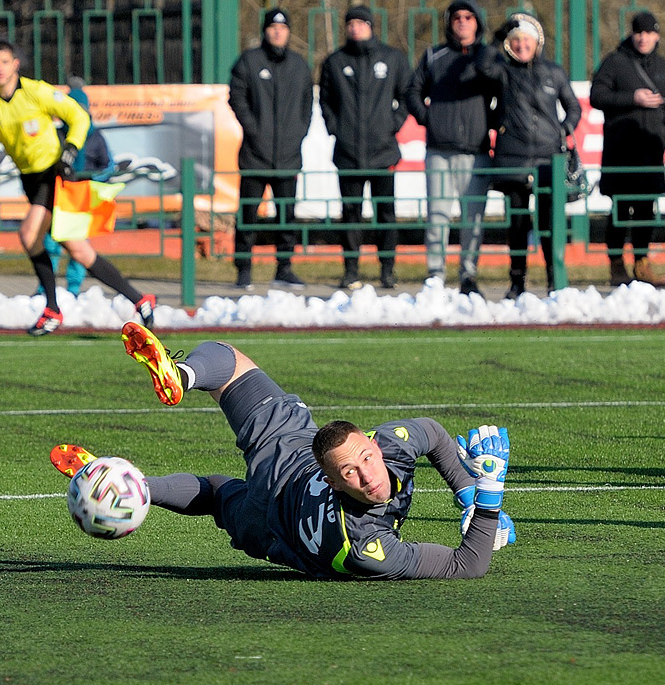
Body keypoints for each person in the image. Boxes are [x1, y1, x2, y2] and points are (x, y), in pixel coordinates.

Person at [52, 322, 515, 581]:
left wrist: (468, 495)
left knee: (226, 368)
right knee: (217, 493)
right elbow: (466, 565)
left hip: (283, 470)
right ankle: (134, 482)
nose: (368, 475)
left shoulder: (388, 448)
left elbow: (432, 433)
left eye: (367, 459)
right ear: (330, 479)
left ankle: (131, 481)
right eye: (350, 472)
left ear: (377, 443)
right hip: (275, 527)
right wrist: (486, 495)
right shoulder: (366, 548)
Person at [0, 40, 155, 336]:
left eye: (4, 62)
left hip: (54, 174)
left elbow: (78, 116)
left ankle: (51, 308)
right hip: (30, 178)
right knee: (78, 250)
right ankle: (140, 299)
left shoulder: (36, 91)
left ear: (15, 64)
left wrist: (71, 148)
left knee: (28, 234)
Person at [475, 14, 581, 299]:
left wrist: (564, 129)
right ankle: (517, 283)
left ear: (538, 43)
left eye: (527, 40)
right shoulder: (503, 71)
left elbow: (573, 106)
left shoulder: (554, 72)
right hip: (512, 158)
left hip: (549, 159)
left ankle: (553, 279)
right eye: (516, 41)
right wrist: (497, 38)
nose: (522, 46)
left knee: (548, 224)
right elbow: (482, 66)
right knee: (518, 224)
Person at [405, 0, 496, 295]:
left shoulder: (488, 56)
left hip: (476, 151)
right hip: (439, 151)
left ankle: (468, 274)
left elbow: (505, 90)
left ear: (477, 22)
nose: (462, 21)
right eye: (457, 17)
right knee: (438, 215)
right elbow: (412, 90)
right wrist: (428, 118)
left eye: (468, 17)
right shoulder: (434, 55)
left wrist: (491, 122)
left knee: (474, 217)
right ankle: (435, 274)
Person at [319, 6, 412, 290]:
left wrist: (391, 125)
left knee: (386, 214)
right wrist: (337, 128)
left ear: (371, 25)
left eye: (360, 22)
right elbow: (326, 101)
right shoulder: (335, 62)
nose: (355, 28)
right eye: (350, 23)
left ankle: (387, 270)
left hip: (383, 151)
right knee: (351, 214)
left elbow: (407, 96)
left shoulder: (393, 58)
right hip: (348, 153)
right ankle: (351, 271)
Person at [591, 11, 665, 288]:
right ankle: (616, 265)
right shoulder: (615, 62)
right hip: (620, 152)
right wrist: (633, 98)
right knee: (620, 210)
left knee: (645, 210)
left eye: (648, 33)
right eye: (638, 32)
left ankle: (642, 264)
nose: (643, 38)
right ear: (632, 34)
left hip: (651, 153)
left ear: (657, 36)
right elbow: (597, 95)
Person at [227, 8, 311, 291]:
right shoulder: (248, 62)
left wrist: (296, 134)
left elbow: (306, 106)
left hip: (288, 156)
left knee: (287, 216)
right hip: (254, 155)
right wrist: (255, 131)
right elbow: (237, 99)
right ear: (265, 30)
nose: (278, 32)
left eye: (283, 27)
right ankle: (244, 270)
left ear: (289, 31)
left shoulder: (299, 65)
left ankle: (284, 269)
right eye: (273, 27)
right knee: (248, 215)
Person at [42, 78, 117, 298]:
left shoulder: (95, 136)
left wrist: (92, 179)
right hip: (58, 199)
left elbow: (108, 166)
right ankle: (45, 288)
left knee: (79, 247)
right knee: (51, 244)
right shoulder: (57, 134)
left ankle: (73, 289)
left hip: (82, 199)